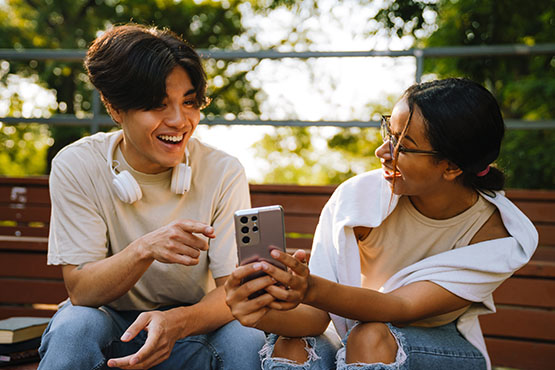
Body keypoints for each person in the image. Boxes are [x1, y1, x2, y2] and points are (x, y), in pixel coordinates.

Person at [225, 78, 538, 370]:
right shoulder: (358, 200)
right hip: (354, 336)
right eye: (390, 132)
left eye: (404, 145)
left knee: (369, 336)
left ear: (451, 167)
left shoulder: (498, 237)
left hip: (439, 349)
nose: (383, 152)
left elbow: (400, 306)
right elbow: (317, 317)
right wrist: (260, 311)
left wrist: (309, 287)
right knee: (292, 346)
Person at [38, 23, 265, 370]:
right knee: (75, 326)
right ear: (115, 109)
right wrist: (144, 249)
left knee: (246, 338)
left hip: (193, 324)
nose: (179, 121)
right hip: (111, 323)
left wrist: (178, 322)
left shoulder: (223, 171)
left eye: (189, 102)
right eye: (158, 105)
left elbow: (235, 292)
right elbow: (81, 292)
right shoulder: (77, 164)